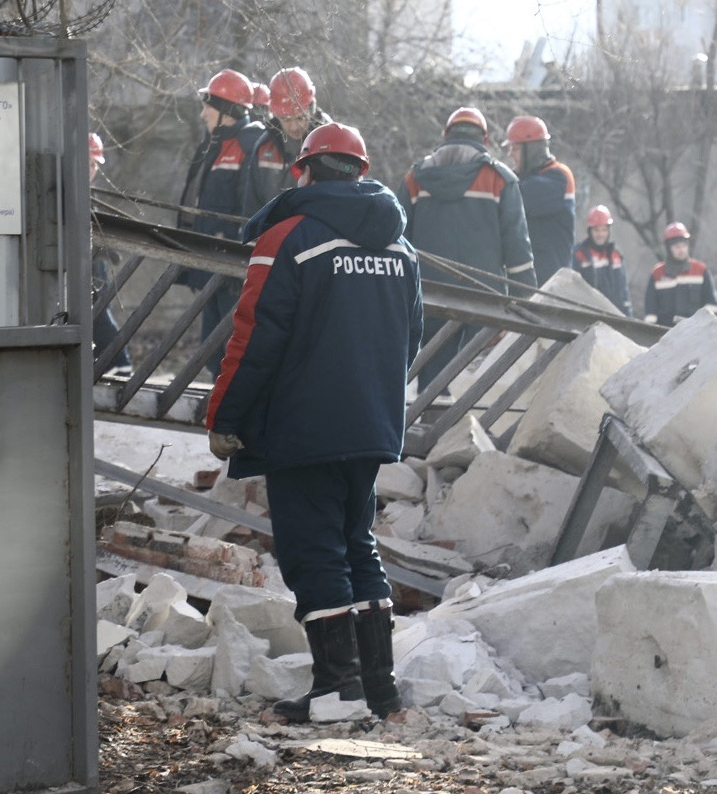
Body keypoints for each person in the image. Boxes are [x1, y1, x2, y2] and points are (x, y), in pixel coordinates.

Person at [205, 122, 421, 723]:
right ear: (362, 171)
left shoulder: (289, 236)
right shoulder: (400, 247)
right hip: (371, 426)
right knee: (359, 546)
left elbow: (254, 338)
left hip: (303, 428)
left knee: (313, 552)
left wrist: (225, 414)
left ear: (303, 170)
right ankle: (380, 692)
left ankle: (337, 691)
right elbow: (411, 338)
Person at [396, 106, 534, 387]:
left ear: (446, 135)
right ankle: (466, 428)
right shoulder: (500, 179)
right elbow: (516, 245)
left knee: (433, 379)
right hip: (484, 298)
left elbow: (398, 241)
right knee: (473, 383)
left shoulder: (415, 178)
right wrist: (525, 300)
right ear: (483, 139)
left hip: (429, 297)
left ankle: (430, 423)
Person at [177, 68, 265, 376]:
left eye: (208, 106)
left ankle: (228, 415)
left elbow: (251, 208)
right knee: (213, 349)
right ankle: (216, 412)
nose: (202, 115)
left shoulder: (250, 144)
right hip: (210, 262)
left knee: (232, 348)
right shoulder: (212, 145)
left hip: (233, 268)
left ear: (226, 110)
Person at [241, 67, 333, 213]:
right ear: (275, 114)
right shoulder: (264, 146)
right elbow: (252, 206)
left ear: (311, 108)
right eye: (286, 119)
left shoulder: (333, 144)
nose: (294, 126)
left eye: (300, 117)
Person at [503, 115, 575, 285]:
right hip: (529, 281)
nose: (510, 155)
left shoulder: (558, 176)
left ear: (532, 150)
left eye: (515, 149)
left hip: (551, 285)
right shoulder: (526, 179)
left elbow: (516, 198)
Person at [89, 132, 131, 374]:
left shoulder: (88, 192)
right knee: (98, 313)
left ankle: (118, 364)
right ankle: (116, 363)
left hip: (95, 265)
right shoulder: (69, 191)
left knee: (101, 311)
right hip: (85, 266)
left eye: (94, 165)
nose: (92, 170)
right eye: (88, 164)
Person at [644, 222, 717, 326]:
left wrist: (702, 324)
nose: (682, 250)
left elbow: (712, 304)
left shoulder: (700, 270)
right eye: (677, 247)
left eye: (684, 246)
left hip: (696, 332)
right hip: (665, 333)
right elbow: (650, 312)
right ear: (668, 248)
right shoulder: (657, 274)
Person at [571, 203, 632, 316]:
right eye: (597, 230)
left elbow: (624, 293)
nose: (601, 234)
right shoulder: (579, 255)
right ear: (590, 231)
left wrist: (629, 319)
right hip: (589, 317)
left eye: (604, 230)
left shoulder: (616, 255)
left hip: (616, 317)